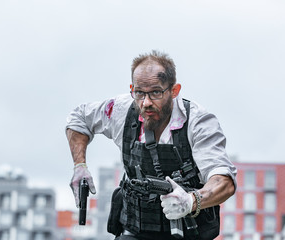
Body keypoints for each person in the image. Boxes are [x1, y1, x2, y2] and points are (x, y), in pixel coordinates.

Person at [66, 50, 237, 240]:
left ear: (174, 90)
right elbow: (79, 119)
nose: (146, 102)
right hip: (135, 229)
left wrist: (190, 201)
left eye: (156, 92)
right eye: (139, 92)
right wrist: (79, 166)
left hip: (188, 232)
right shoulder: (120, 110)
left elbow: (224, 182)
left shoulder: (199, 122)